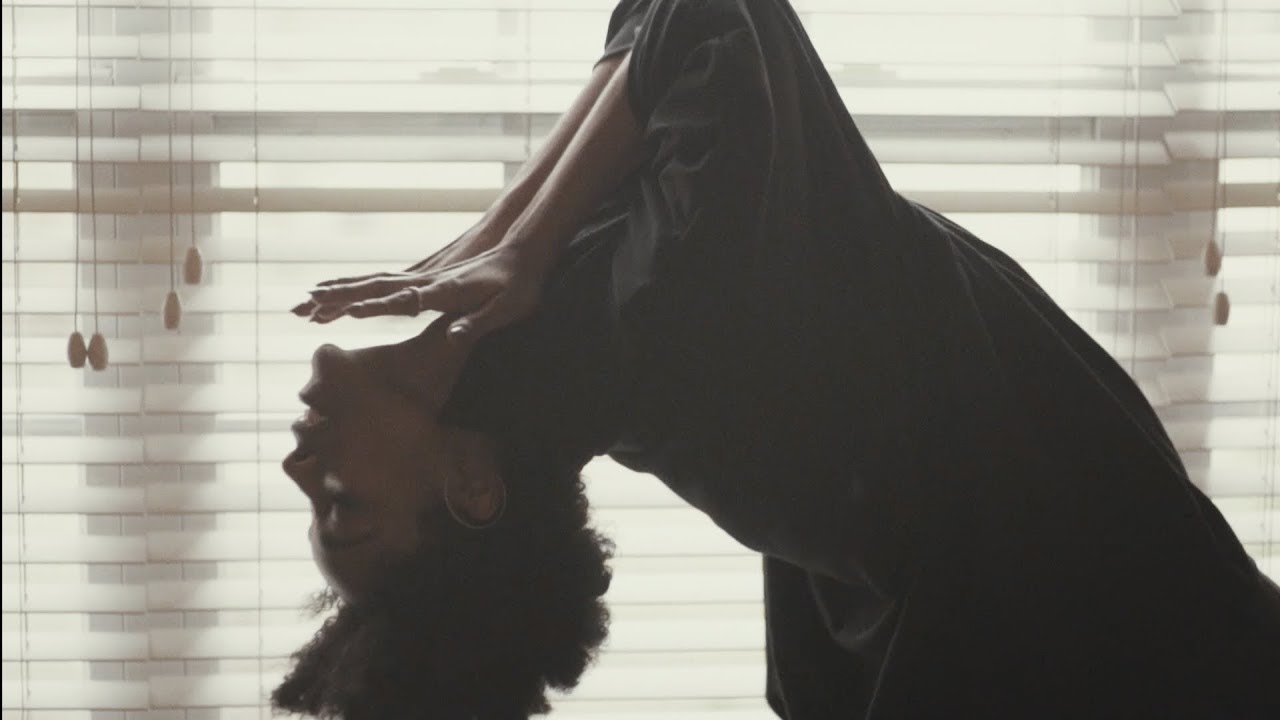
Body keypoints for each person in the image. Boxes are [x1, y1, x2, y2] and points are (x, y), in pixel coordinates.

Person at [279, 1, 1280, 718]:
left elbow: (658, 36)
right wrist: (517, 240)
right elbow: (708, 18)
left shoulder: (601, 338)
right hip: (1154, 643)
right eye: (344, 508)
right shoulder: (664, 314)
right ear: (469, 482)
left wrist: (503, 244)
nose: (297, 468)